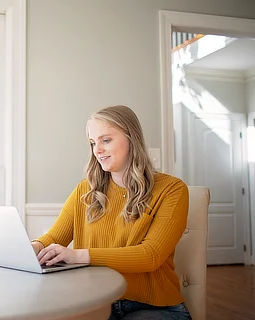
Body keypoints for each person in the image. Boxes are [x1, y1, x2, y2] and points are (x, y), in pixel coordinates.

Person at [31, 105, 192, 320]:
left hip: (153, 307)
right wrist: (32, 249)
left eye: (105, 140)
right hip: (95, 302)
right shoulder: (85, 190)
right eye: (93, 143)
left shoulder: (172, 190)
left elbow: (150, 255)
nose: (97, 150)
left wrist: (79, 255)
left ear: (131, 139)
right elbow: (53, 237)